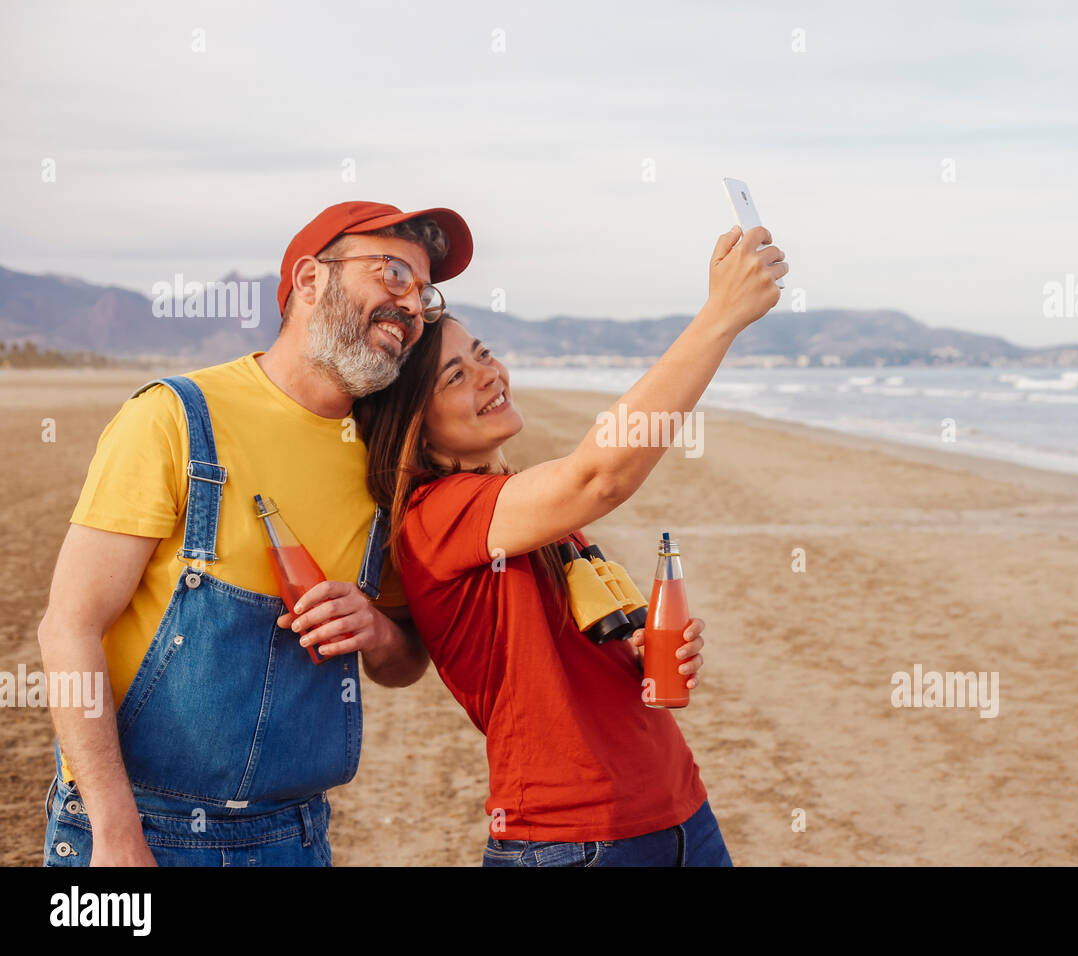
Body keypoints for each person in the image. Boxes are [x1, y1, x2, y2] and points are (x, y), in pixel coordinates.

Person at [37, 200, 472, 866]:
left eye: (423, 292)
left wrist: (377, 629)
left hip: (291, 838)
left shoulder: (384, 465)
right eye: (391, 274)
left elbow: (402, 662)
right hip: (138, 830)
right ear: (308, 280)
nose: (412, 306)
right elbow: (67, 629)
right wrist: (116, 831)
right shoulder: (176, 417)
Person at [338, 223, 786, 865]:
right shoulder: (437, 516)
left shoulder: (520, 506)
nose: (487, 375)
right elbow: (599, 475)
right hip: (572, 839)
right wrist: (720, 317)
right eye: (454, 378)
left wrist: (644, 650)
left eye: (483, 353)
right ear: (420, 435)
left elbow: (588, 642)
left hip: (679, 810)